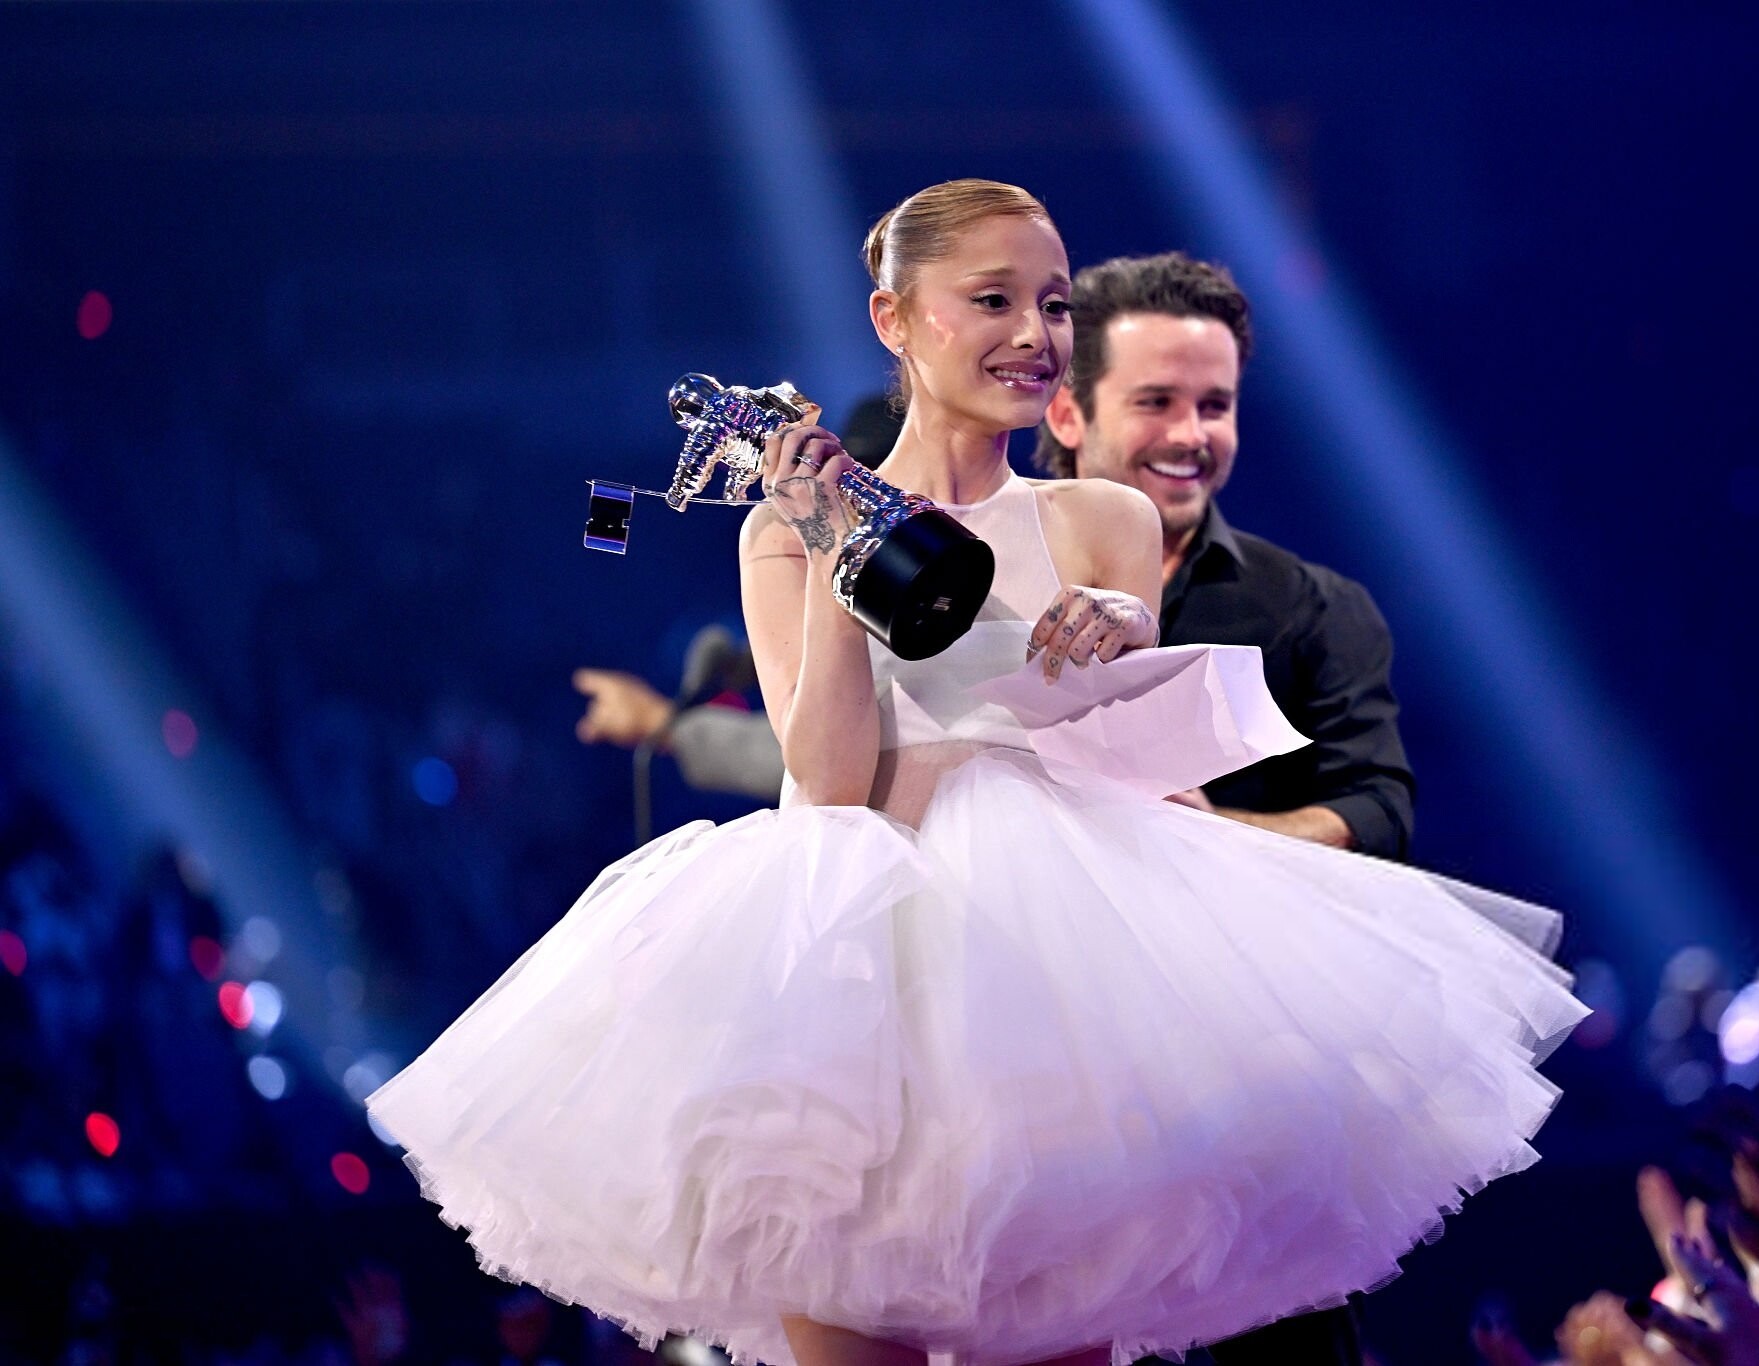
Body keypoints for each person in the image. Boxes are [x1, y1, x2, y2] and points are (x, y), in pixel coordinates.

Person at [370, 180, 1585, 1366]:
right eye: (993, 300)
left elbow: (1118, 772)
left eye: (1054, 305)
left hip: (1049, 988)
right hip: (843, 985)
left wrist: (1122, 639)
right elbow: (827, 778)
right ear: (893, 320)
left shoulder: (1101, 520)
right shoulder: (782, 528)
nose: (1034, 335)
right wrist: (839, 547)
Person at [1036, 252, 1412, 860]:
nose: (1190, 435)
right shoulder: (988, 579)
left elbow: (1378, 813)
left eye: (1214, 406)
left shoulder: (1314, 608)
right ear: (1067, 415)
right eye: (1155, 402)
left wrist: (1215, 833)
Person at [568, 398, 906, 803]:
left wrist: (660, 723)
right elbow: (813, 750)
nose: (849, 513)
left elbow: (818, 761)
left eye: (866, 494)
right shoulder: (790, 558)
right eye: (837, 494)